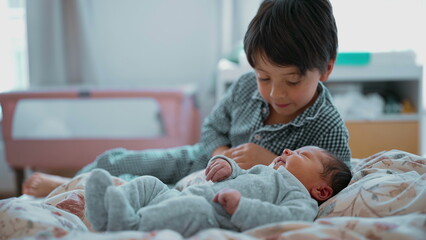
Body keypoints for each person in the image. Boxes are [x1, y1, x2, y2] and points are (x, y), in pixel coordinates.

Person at [22, 0, 351, 198]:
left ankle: (73, 190)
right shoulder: (243, 89)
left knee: (141, 188)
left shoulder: (328, 127)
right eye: (264, 77)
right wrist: (219, 152)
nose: (276, 92)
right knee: (115, 159)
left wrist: (271, 163)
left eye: (292, 81)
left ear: (326, 69)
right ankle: (73, 181)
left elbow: (330, 185)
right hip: (197, 161)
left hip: (228, 189)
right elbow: (212, 128)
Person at [85, 146, 352, 237]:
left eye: (301, 155)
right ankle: (109, 211)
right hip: (182, 197)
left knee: (192, 209)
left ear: (320, 190)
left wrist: (242, 207)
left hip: (209, 213)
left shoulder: (297, 195)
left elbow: (291, 218)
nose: (287, 151)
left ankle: (127, 223)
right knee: (149, 183)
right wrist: (226, 166)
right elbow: (240, 175)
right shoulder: (266, 172)